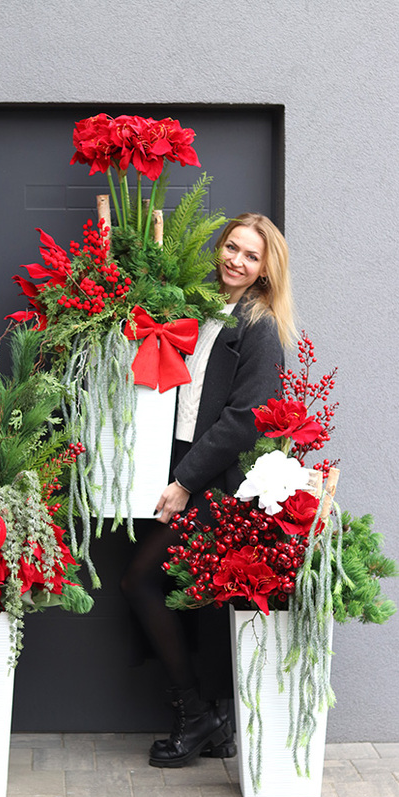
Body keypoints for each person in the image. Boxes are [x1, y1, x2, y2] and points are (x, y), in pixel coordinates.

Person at [120, 213, 296, 768]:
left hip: (215, 486)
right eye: (232, 248)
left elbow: (245, 420)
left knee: (140, 580)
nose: (236, 261)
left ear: (266, 271)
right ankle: (215, 721)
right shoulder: (202, 307)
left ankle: (197, 714)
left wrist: (183, 483)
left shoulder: (261, 326)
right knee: (194, 598)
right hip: (181, 466)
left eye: (250, 256)